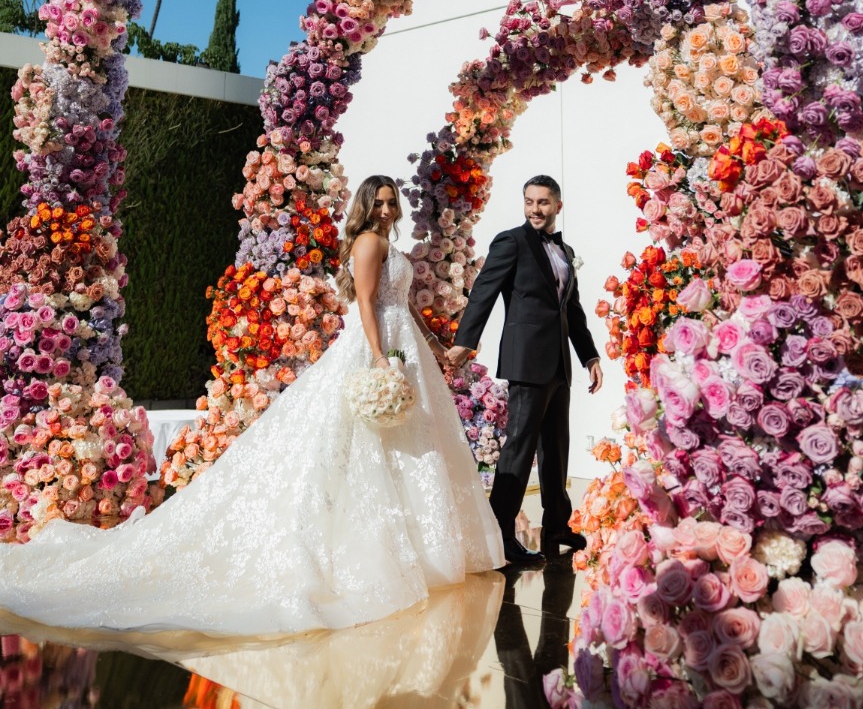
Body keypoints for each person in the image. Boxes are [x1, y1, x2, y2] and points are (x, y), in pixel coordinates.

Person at [0, 175, 504, 636]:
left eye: (394, 203)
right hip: (378, 346)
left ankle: (417, 546)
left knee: (406, 443)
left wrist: (436, 347)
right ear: (367, 208)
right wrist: (379, 358)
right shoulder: (370, 243)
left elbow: (404, 303)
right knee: (367, 441)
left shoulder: (389, 245)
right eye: (381, 203)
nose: (389, 211)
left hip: (404, 343)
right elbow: (367, 303)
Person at [447, 175, 602, 566]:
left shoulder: (564, 249)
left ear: (557, 206)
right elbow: (484, 289)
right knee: (518, 450)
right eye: (530, 201)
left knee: (556, 449)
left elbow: (573, 309)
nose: (535, 209)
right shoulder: (510, 242)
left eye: (543, 202)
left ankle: (556, 526)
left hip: (559, 364)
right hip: (525, 361)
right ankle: (501, 535)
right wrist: (467, 339)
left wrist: (589, 356)